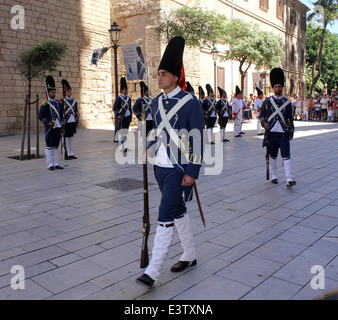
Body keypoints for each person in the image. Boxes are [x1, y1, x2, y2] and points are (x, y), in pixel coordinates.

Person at [136, 36, 204, 288]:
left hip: (178, 169)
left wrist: (192, 171)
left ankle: (152, 271)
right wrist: (148, 146)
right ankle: (189, 254)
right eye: (158, 73)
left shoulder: (190, 103)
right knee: (178, 211)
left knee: (165, 214)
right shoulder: (155, 102)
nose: (159, 77)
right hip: (160, 168)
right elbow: (156, 132)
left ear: (176, 76)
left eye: (164, 73)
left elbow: (198, 139)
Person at [260, 68, 296, 188]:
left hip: (283, 133)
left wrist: (291, 132)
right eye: (275, 86)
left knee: (286, 155)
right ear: (273, 87)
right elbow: (261, 116)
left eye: (279, 86)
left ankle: (289, 179)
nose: (278, 89)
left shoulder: (287, 102)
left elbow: (290, 119)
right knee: (272, 155)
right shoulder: (267, 102)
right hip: (271, 133)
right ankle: (274, 176)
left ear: (282, 87)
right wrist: (264, 123)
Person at [38, 75, 64, 170]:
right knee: (49, 145)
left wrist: (62, 126)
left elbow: (61, 116)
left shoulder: (58, 103)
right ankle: (50, 164)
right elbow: (40, 117)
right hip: (50, 128)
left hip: (57, 127)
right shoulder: (45, 104)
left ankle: (56, 163)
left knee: (56, 145)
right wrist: (48, 122)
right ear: (48, 93)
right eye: (52, 92)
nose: (54, 94)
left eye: (54, 92)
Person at [60, 79, 78, 160]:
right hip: (66, 122)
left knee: (71, 137)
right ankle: (66, 153)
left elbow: (76, 112)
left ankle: (71, 152)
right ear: (65, 92)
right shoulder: (62, 101)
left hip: (72, 121)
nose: (70, 93)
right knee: (66, 138)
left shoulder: (74, 101)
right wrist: (62, 124)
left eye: (70, 91)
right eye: (68, 91)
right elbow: (61, 113)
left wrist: (77, 121)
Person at [113, 77, 132, 152]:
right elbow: (115, 108)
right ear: (121, 90)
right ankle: (121, 146)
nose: (126, 91)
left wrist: (130, 116)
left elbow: (129, 108)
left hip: (127, 117)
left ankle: (125, 145)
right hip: (121, 117)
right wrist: (118, 115)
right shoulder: (119, 98)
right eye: (124, 90)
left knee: (126, 132)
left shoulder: (128, 98)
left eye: (126, 89)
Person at [133, 81, 154, 148]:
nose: (149, 92)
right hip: (144, 120)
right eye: (148, 91)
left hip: (151, 120)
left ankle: (148, 146)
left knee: (150, 134)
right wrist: (139, 116)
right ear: (145, 92)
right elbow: (135, 108)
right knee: (143, 134)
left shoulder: (152, 100)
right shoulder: (140, 100)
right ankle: (143, 147)